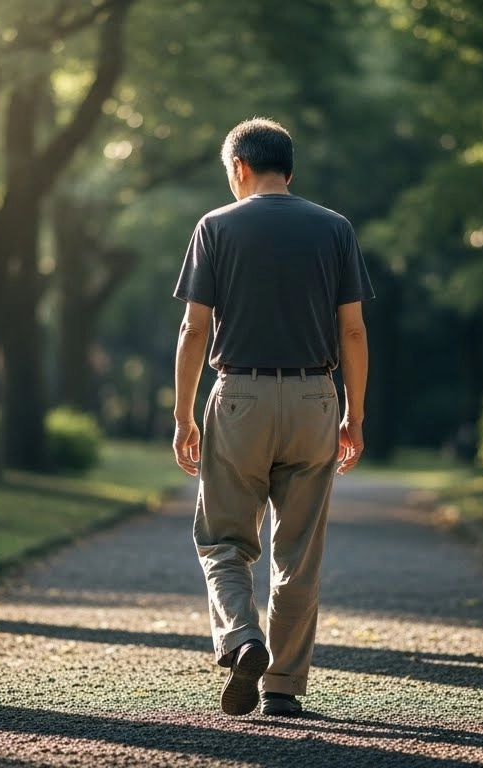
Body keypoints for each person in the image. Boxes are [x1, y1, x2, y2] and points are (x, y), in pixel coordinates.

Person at [171, 117, 373, 717]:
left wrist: (184, 416)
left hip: (239, 396)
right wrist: (353, 415)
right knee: (299, 550)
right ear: (289, 169)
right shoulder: (334, 229)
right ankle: (283, 687)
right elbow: (354, 330)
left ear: (239, 168)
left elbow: (193, 329)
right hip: (315, 396)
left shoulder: (215, 227)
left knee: (223, 540)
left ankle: (240, 637)